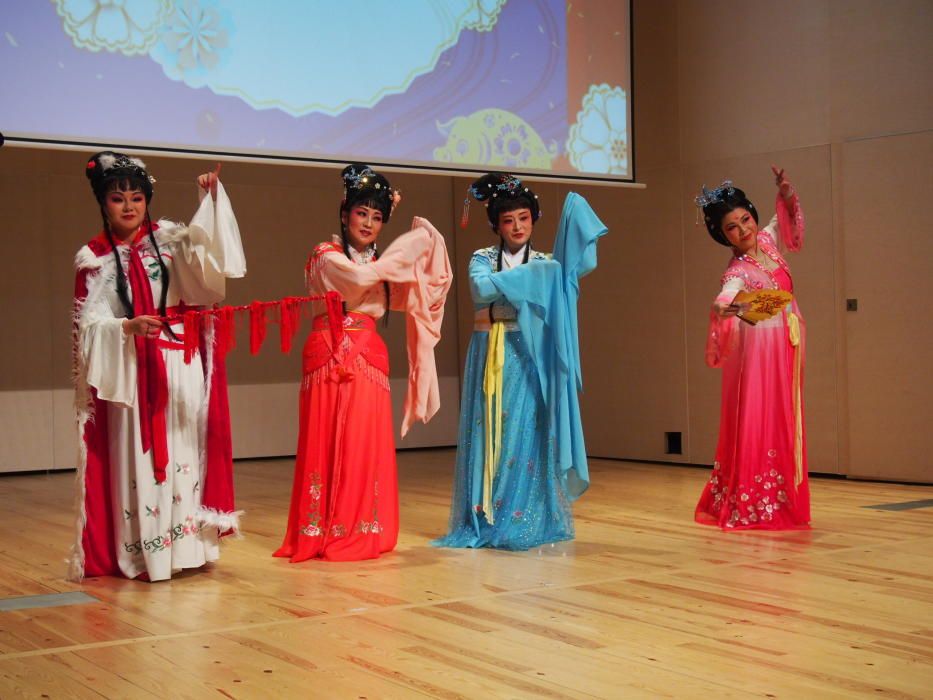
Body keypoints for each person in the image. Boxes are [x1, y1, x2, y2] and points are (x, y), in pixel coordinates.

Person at [69, 151, 246, 581]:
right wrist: (126, 327)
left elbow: (211, 269)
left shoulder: (169, 240)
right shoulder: (93, 259)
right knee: (140, 463)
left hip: (176, 364)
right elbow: (87, 330)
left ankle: (186, 550)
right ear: (103, 203)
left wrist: (211, 200)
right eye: (117, 198)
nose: (129, 206)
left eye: (136, 196)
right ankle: (146, 553)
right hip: (130, 373)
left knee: (184, 456)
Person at [274, 163, 451, 562]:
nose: (369, 223)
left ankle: (361, 525)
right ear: (345, 213)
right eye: (362, 212)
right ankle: (320, 527)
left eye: (377, 216)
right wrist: (400, 258)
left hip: (368, 357)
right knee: (324, 439)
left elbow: (430, 290)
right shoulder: (326, 256)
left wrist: (422, 242)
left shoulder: (385, 269)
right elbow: (353, 279)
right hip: (327, 353)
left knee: (362, 443)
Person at [433, 173, 607, 550]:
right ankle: (486, 515)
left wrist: (519, 281)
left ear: (533, 219)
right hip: (491, 348)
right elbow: (479, 291)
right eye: (508, 220)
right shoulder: (484, 258)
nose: (516, 227)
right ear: (496, 224)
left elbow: (573, 274)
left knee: (529, 428)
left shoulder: (546, 261)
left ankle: (529, 514)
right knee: (490, 428)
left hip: (530, 352)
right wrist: (532, 281)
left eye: (524, 218)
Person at [695, 166, 810, 530]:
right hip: (760, 353)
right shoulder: (736, 271)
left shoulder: (767, 241)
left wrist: (787, 192)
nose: (743, 230)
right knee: (758, 417)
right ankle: (752, 500)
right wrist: (748, 308)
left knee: (784, 417)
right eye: (732, 226)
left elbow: (786, 218)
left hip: (787, 344)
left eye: (745, 220)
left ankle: (779, 496)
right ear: (721, 234)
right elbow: (723, 302)